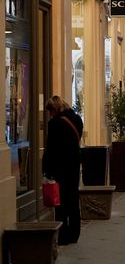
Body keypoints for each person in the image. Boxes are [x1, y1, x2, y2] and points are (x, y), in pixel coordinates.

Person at [42, 96, 83, 245]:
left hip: (60, 167)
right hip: (73, 164)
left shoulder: (55, 123)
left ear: (55, 109)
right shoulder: (77, 119)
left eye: (50, 111)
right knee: (73, 198)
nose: (50, 114)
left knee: (61, 203)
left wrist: (46, 169)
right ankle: (75, 232)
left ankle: (64, 235)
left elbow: (50, 148)